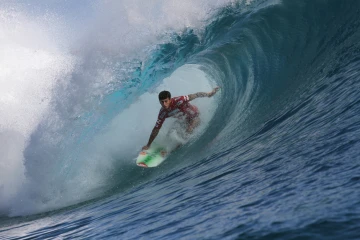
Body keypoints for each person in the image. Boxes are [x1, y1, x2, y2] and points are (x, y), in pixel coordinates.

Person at [142, 87, 220, 151]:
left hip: (195, 117)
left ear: (170, 99)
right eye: (162, 102)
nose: (164, 104)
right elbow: (156, 129)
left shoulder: (179, 100)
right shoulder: (163, 113)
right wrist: (148, 144)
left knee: (188, 130)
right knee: (170, 133)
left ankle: (177, 148)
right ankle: (162, 150)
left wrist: (209, 94)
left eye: (166, 101)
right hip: (183, 120)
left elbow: (195, 95)